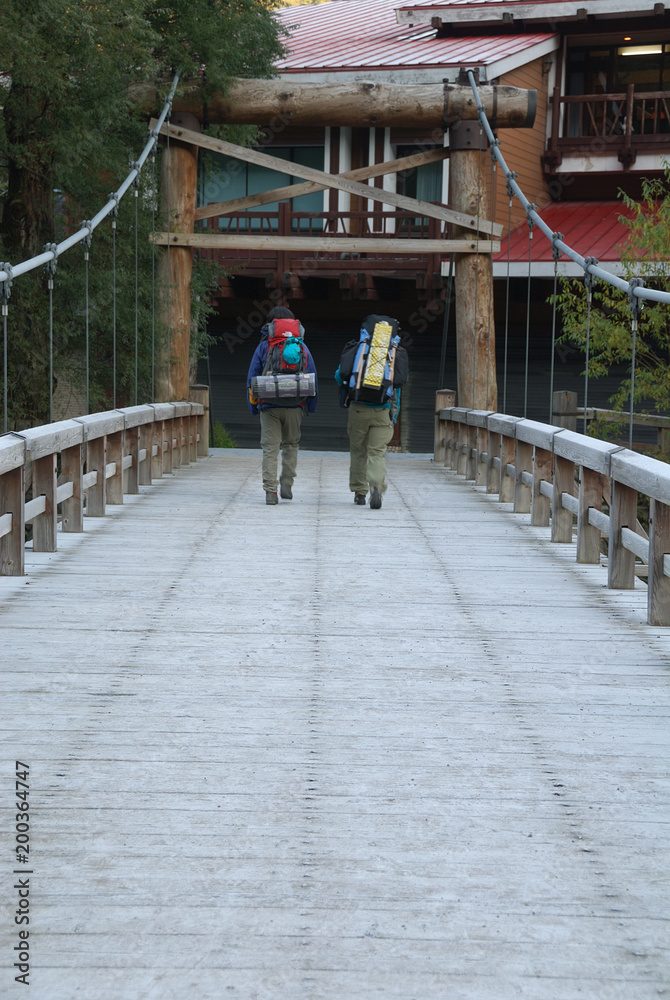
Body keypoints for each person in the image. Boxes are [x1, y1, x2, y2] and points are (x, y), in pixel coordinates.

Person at [335, 315, 408, 510]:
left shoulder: (358, 348)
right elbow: (398, 385)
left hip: (358, 407)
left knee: (358, 451)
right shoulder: (395, 351)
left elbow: (340, 374)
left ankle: (359, 493)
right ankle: (376, 486)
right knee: (377, 452)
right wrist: (394, 414)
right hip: (382, 410)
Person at [247, 306, 318, 505]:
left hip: (269, 405)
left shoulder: (264, 346)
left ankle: (271, 491)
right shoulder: (301, 346)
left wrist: (254, 406)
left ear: (270, 324)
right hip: (295, 405)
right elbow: (313, 376)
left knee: (270, 448)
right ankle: (286, 482)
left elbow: (252, 376)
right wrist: (310, 406)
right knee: (291, 445)